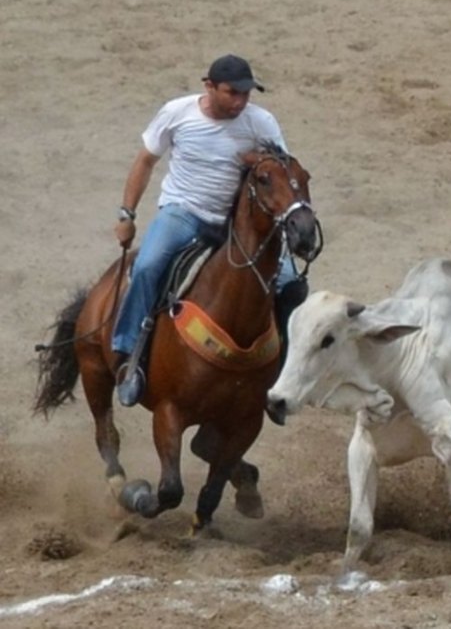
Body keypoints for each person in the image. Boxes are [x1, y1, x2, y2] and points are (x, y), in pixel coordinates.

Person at [112, 54, 307, 407]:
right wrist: (127, 214)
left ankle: (283, 367)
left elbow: (282, 170)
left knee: (291, 284)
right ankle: (129, 356)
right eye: (232, 93)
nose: (240, 102)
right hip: (184, 214)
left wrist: (254, 162)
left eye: (246, 94)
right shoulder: (177, 114)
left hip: (237, 227)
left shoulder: (261, 122)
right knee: (147, 266)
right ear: (209, 86)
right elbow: (145, 160)